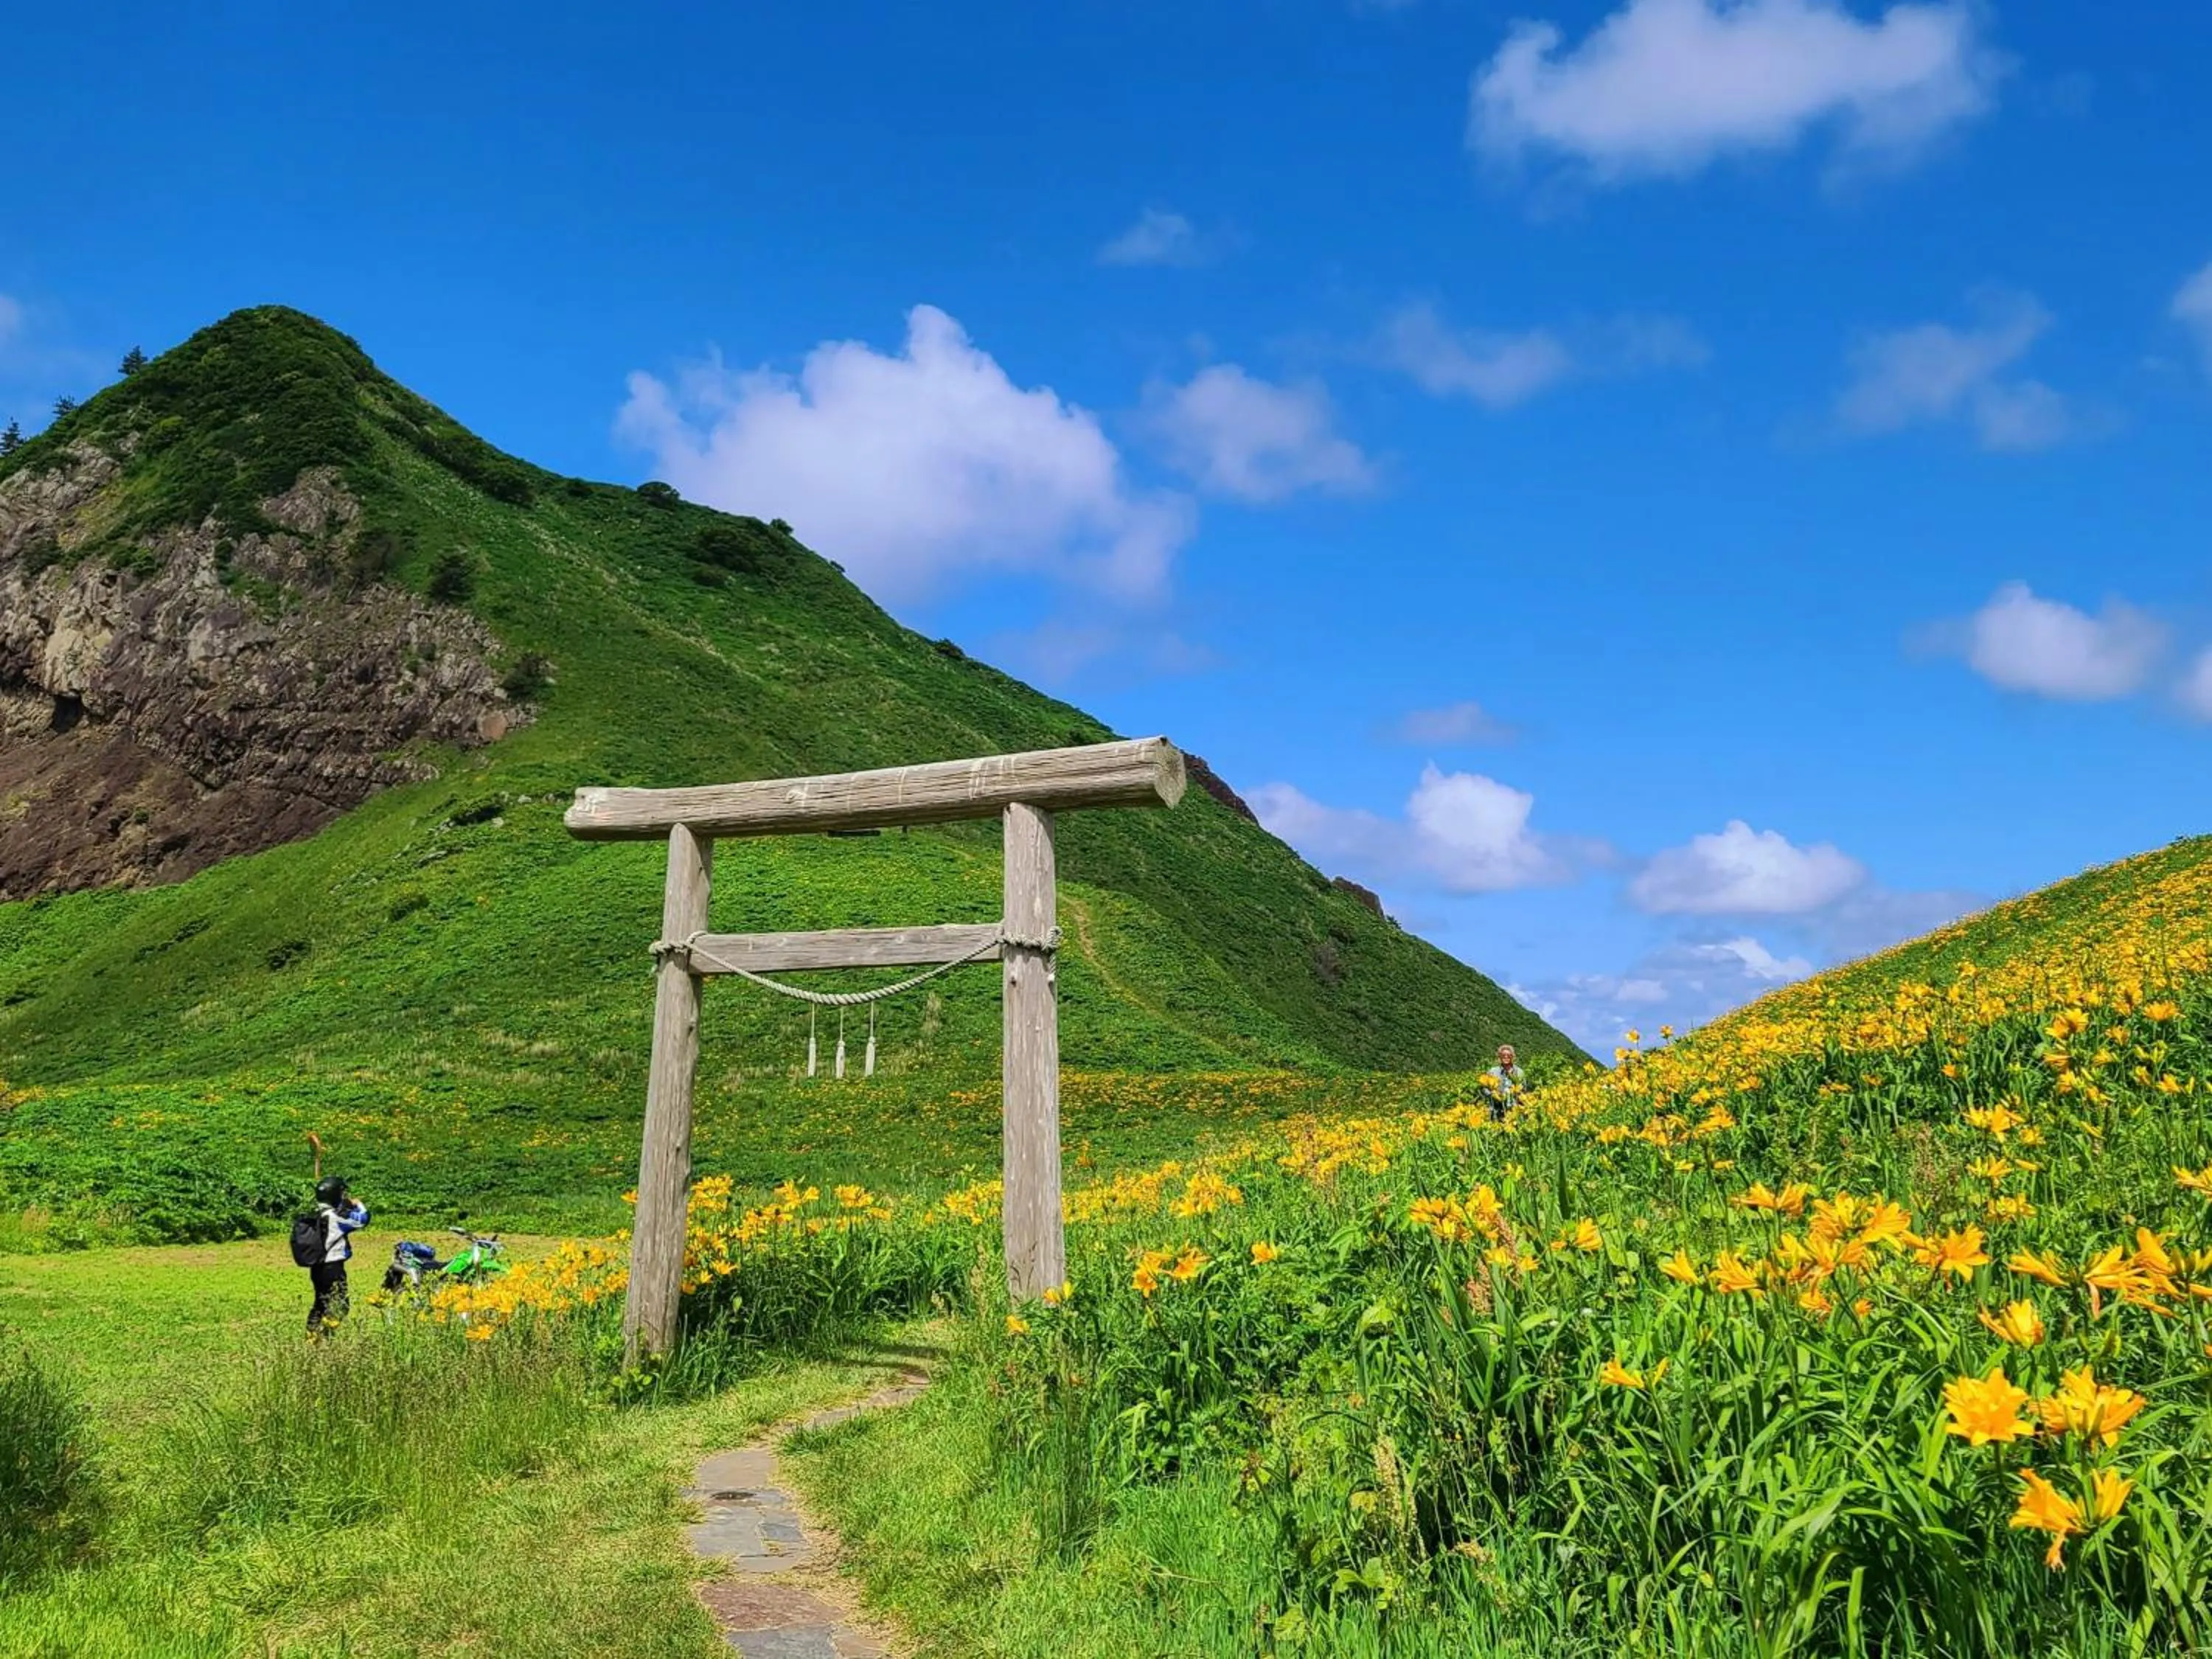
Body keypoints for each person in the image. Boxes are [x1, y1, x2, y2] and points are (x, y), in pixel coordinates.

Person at [307, 1175, 370, 1335]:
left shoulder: (317, 1214)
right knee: (340, 1305)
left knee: (321, 1303)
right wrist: (358, 1204)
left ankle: (312, 1336)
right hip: (332, 1268)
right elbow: (363, 1219)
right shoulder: (336, 1218)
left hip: (317, 1267)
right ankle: (325, 1336)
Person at [1486, 1044, 1526, 1122]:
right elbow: (1484, 1088)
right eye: (1503, 1055)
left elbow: (1524, 1090)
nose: (1506, 1057)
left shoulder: (1519, 1072)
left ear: (1512, 1057)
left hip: (1514, 1110)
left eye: (1509, 1055)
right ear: (1499, 1057)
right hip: (1497, 1111)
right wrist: (1493, 1095)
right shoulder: (1493, 1072)